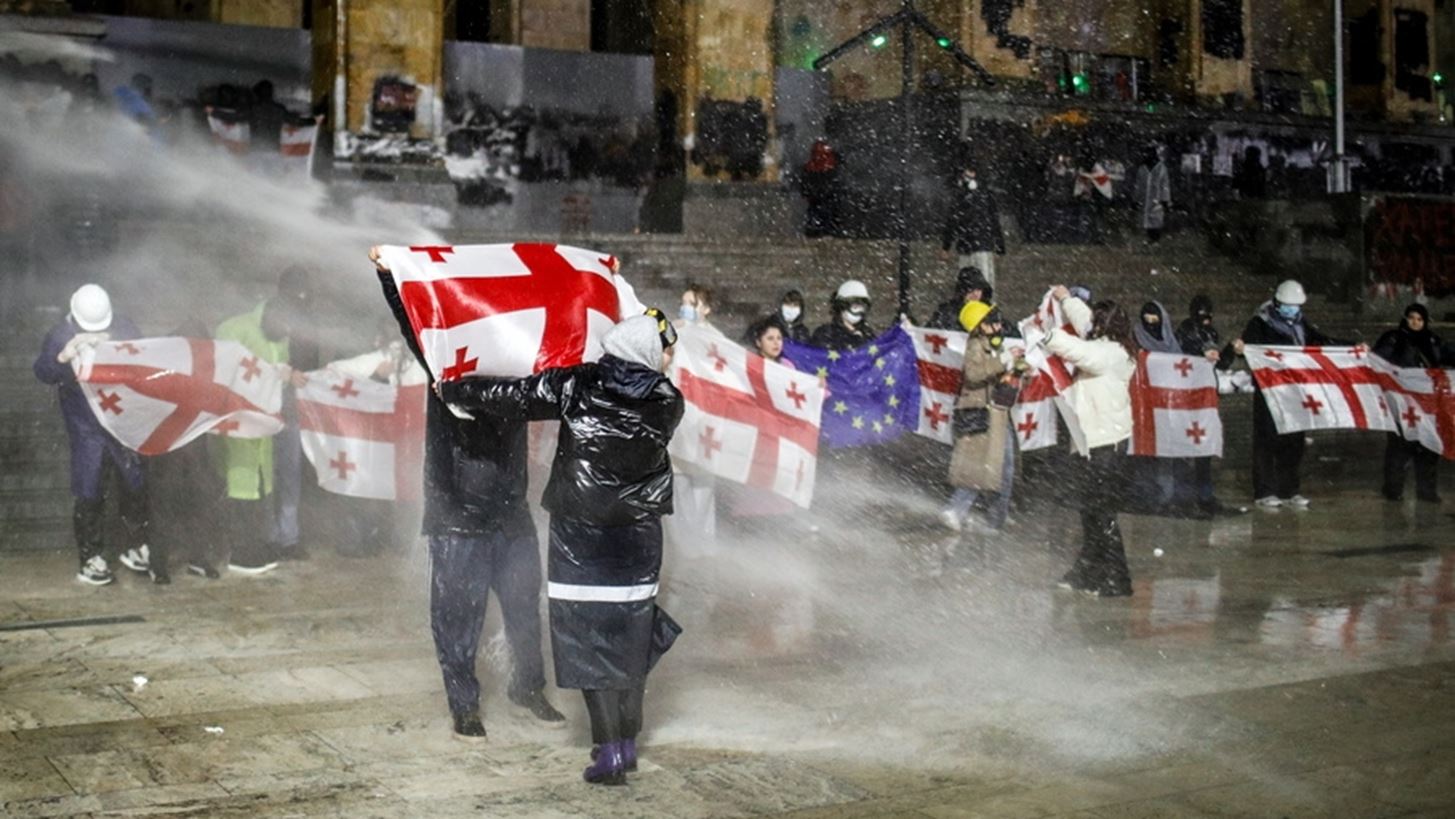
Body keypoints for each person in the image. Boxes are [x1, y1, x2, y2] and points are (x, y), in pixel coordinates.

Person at [441, 312, 684, 786]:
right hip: (638, 536)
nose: (669, 359)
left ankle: (609, 751)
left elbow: (514, 395)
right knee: (630, 635)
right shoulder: (668, 400)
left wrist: (456, 390)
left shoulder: (578, 384)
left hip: (580, 534)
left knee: (587, 635)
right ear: (646, 354)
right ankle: (625, 742)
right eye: (664, 350)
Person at [372, 253, 565, 742]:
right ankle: (464, 706)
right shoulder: (443, 358)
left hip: (511, 512)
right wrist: (388, 275)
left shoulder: (519, 366)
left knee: (524, 605)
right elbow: (412, 322)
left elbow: (566, 351)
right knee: (457, 616)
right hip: (456, 514)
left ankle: (528, 687)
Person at [33, 284, 152, 586]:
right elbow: (43, 372)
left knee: (135, 480)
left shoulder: (123, 326)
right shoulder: (61, 334)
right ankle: (91, 557)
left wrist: (113, 344)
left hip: (121, 419)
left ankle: (136, 545)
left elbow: (145, 358)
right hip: (85, 424)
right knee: (90, 487)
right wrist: (63, 356)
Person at [1226, 280, 1356, 509]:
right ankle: (1264, 491)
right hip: (1270, 390)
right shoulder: (1260, 323)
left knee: (1294, 441)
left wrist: (1350, 347)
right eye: (1288, 305)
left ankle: (1289, 490)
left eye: (1295, 306)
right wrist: (1239, 349)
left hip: (1295, 391)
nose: (1292, 310)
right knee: (1267, 440)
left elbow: (1320, 342)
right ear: (1277, 303)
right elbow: (1248, 349)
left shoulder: (1300, 324)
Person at [213, 270, 312, 573]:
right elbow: (223, 371)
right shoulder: (233, 329)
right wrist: (274, 373)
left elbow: (276, 370)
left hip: (266, 425)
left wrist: (287, 375)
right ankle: (240, 552)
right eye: (283, 327)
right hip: (238, 423)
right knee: (240, 484)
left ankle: (258, 544)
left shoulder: (280, 336)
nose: (286, 334)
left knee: (260, 485)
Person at [1044, 286, 1137, 598]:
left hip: (1105, 444)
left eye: (1098, 322)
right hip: (1094, 442)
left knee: (1102, 512)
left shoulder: (1112, 354)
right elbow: (1086, 325)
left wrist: (1046, 336)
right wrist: (1066, 299)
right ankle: (1089, 571)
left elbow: (1082, 351)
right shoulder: (1114, 344)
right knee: (1091, 512)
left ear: (1105, 327)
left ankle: (1117, 579)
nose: (1091, 326)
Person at [940, 304, 1025, 541]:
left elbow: (996, 375)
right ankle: (960, 510)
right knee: (982, 465)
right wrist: (1005, 360)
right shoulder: (976, 344)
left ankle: (995, 516)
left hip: (997, 413)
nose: (997, 326)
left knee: (1002, 466)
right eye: (992, 322)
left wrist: (1017, 369)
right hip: (982, 413)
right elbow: (974, 374)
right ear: (980, 326)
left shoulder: (993, 345)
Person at [1374, 303, 1446, 502]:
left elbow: (1446, 355)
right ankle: (1393, 489)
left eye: (1420, 319)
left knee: (1429, 445)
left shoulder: (1432, 340)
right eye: (1412, 318)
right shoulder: (1393, 338)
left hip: (1427, 402)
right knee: (1400, 446)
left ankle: (1426, 491)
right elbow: (1377, 360)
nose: (1415, 322)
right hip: (1402, 401)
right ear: (1405, 319)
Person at [940, 162, 1005, 287]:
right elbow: (953, 221)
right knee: (977, 281)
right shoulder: (978, 195)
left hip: (975, 244)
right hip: (974, 244)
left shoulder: (973, 195)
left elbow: (953, 221)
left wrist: (946, 246)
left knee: (976, 282)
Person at [810, 279, 876, 350]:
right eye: (855, 307)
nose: (858, 311)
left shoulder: (868, 335)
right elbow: (820, 354)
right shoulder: (825, 334)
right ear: (841, 307)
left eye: (862, 307)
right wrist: (851, 343)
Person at [927, 267, 992, 331]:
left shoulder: (990, 313)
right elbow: (930, 333)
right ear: (962, 291)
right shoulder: (946, 312)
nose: (975, 293)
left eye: (979, 289)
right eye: (971, 290)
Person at [800, 139, 840, 238]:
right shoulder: (830, 164)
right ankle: (825, 230)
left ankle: (815, 229)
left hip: (816, 194)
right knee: (826, 211)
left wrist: (806, 191)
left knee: (815, 211)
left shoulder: (811, 166)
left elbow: (805, 180)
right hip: (824, 193)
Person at [1134, 147, 1172, 243]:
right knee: (1146, 218)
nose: (1147, 155)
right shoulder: (1142, 168)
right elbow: (1138, 185)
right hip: (1145, 197)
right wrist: (1136, 199)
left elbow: (1165, 184)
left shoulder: (1161, 168)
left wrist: (1165, 199)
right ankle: (1150, 237)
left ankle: (1155, 238)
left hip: (1157, 198)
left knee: (1156, 219)